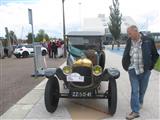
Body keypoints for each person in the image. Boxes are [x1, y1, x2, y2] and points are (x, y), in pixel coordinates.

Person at [122, 25, 159, 120]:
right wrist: (126, 65)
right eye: (128, 34)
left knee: (142, 90)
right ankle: (135, 111)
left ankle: (140, 102)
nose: (129, 35)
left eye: (130, 33)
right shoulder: (129, 41)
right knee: (135, 90)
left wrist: (151, 65)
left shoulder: (148, 40)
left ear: (136, 31)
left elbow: (155, 54)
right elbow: (126, 53)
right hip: (133, 69)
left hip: (145, 70)